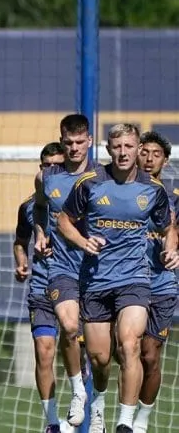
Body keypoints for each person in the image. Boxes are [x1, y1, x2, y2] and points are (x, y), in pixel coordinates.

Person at [58, 124, 179, 433]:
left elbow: (168, 227)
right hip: (96, 280)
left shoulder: (153, 189)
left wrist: (171, 249)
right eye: (117, 147)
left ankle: (126, 422)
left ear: (137, 148)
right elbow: (64, 220)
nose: (123, 153)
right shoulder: (90, 183)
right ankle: (98, 402)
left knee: (130, 343)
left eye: (129, 146)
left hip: (135, 280)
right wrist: (82, 241)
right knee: (100, 358)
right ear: (108, 149)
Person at [34, 114, 96, 427]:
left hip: (99, 272)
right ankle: (76, 392)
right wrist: (39, 233)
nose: (74, 148)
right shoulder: (47, 177)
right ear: (61, 141)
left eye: (79, 142)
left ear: (90, 141)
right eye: (68, 142)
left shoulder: (103, 177)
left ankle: (98, 409)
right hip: (61, 269)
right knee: (69, 327)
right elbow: (39, 208)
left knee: (102, 354)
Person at [13, 142, 65, 433]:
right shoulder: (28, 207)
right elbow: (20, 242)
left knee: (90, 353)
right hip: (42, 286)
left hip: (77, 286)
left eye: (58, 166)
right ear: (40, 168)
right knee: (44, 351)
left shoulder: (80, 199)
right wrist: (22, 263)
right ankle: (52, 422)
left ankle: (93, 412)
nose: (52, 171)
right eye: (47, 166)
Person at [132, 131, 179, 433]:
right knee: (122, 352)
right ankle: (117, 415)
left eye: (156, 154)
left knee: (149, 355)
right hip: (126, 283)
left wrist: (174, 251)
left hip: (161, 285)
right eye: (144, 152)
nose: (149, 159)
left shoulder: (174, 200)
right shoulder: (121, 193)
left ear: (166, 161)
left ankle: (141, 419)